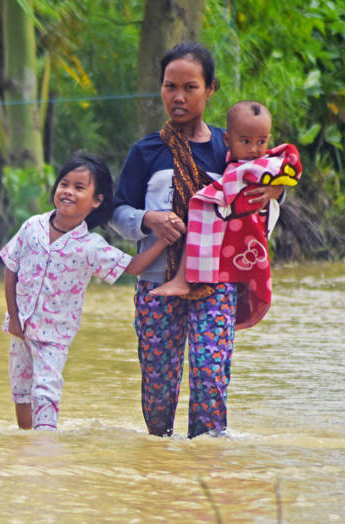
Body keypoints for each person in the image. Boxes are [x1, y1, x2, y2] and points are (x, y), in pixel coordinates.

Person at [110, 43, 282, 438]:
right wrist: (148, 219)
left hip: (217, 282)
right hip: (157, 282)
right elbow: (117, 212)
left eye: (190, 87)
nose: (178, 97)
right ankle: (160, 461)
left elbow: (265, 190)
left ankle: (207, 460)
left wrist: (276, 191)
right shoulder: (146, 152)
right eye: (170, 86)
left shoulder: (232, 147)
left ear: (210, 89)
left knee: (209, 373)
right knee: (158, 388)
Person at [0, 153, 176, 430]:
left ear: (97, 200)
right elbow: (11, 268)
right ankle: (24, 446)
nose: (68, 191)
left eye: (79, 187)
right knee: (21, 392)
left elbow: (132, 266)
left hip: (54, 336)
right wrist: (13, 317)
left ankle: (44, 447)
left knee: (45, 393)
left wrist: (163, 242)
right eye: (64, 184)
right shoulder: (32, 226)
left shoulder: (91, 246)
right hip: (20, 327)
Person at [150, 101, 300, 329]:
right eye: (246, 141)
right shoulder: (226, 159)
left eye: (261, 142)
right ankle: (182, 278)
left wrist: (277, 190)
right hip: (225, 245)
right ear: (228, 140)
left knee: (202, 207)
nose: (254, 149)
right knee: (201, 209)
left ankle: (183, 279)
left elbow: (285, 173)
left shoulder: (266, 164)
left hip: (245, 241)